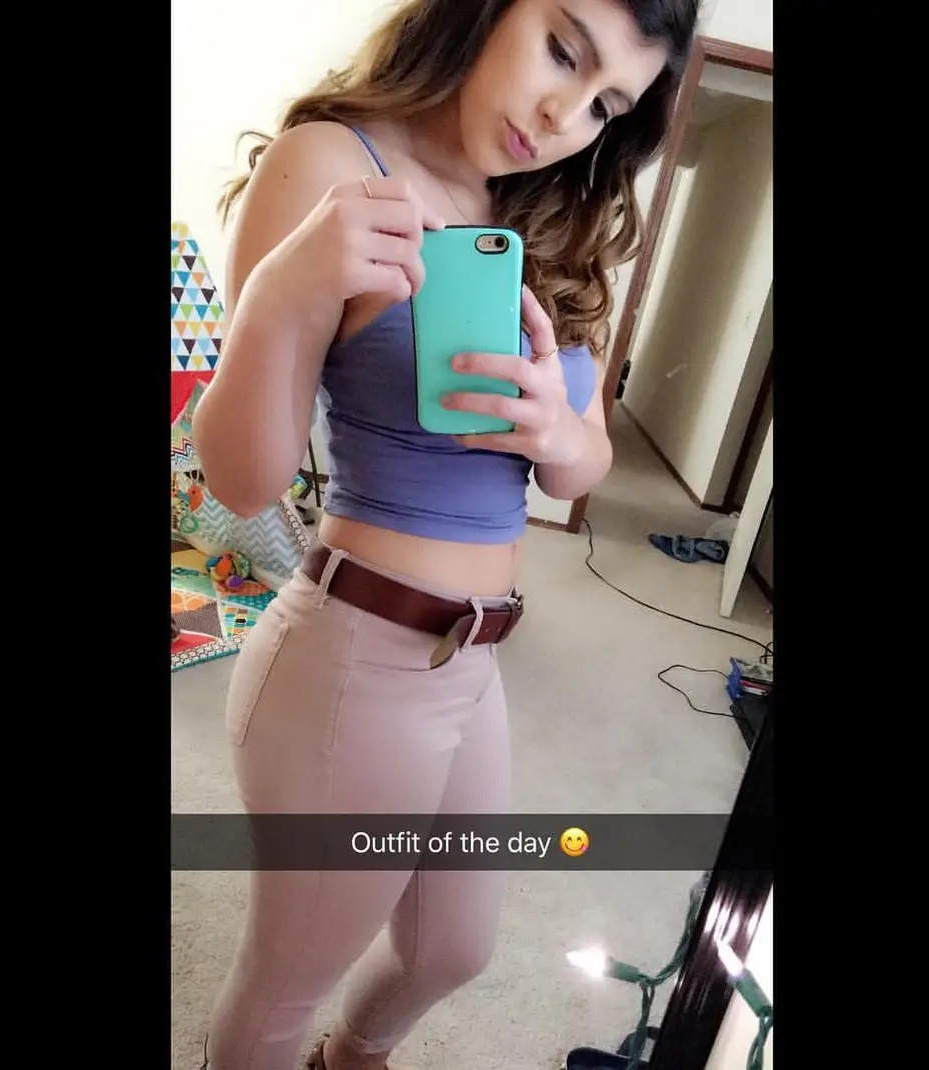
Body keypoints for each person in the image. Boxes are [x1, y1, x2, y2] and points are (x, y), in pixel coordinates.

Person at [190, 1, 699, 1066]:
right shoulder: (330, 162)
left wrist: (556, 432)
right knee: (285, 985)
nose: (562, 116)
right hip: (352, 661)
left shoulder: (549, 213)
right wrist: (281, 293)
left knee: (452, 951)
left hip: (474, 659)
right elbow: (242, 480)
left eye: (604, 104)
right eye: (561, 49)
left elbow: (590, 456)